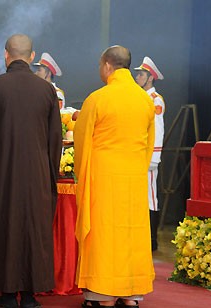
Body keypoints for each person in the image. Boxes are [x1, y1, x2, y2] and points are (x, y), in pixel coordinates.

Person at [0, 34, 62, 308]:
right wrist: (48, 176)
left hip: (2, 178)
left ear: (6, 55)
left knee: (5, 231)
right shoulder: (47, 90)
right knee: (34, 232)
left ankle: (9, 294)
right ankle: (31, 296)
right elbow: (55, 141)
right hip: (36, 176)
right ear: (32, 56)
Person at [74, 45, 155, 308]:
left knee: (104, 233)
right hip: (133, 177)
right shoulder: (145, 100)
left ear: (107, 66)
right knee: (132, 234)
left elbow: (82, 140)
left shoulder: (98, 98)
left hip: (104, 176)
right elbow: (148, 144)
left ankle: (102, 295)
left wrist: (81, 174)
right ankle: (131, 294)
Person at [134, 56, 165, 252]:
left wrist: (154, 156)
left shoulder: (156, 100)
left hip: (149, 155)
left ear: (150, 78)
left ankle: (153, 239)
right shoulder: (140, 97)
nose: (137, 77)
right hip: (138, 152)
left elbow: (158, 129)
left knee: (150, 196)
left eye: (141, 74)